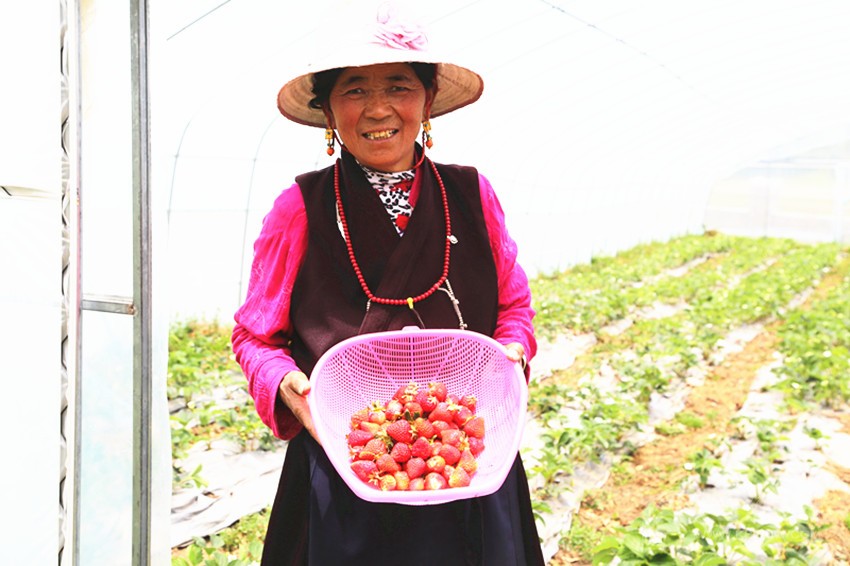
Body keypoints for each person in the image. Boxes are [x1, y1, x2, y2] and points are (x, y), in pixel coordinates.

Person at [231, 2, 544, 564]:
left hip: (465, 458)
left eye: (398, 86)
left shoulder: (472, 195)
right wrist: (290, 389)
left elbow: (513, 308)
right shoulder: (299, 208)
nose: (378, 109)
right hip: (351, 461)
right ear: (328, 110)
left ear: (427, 99)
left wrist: (513, 350)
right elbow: (255, 337)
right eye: (354, 90)